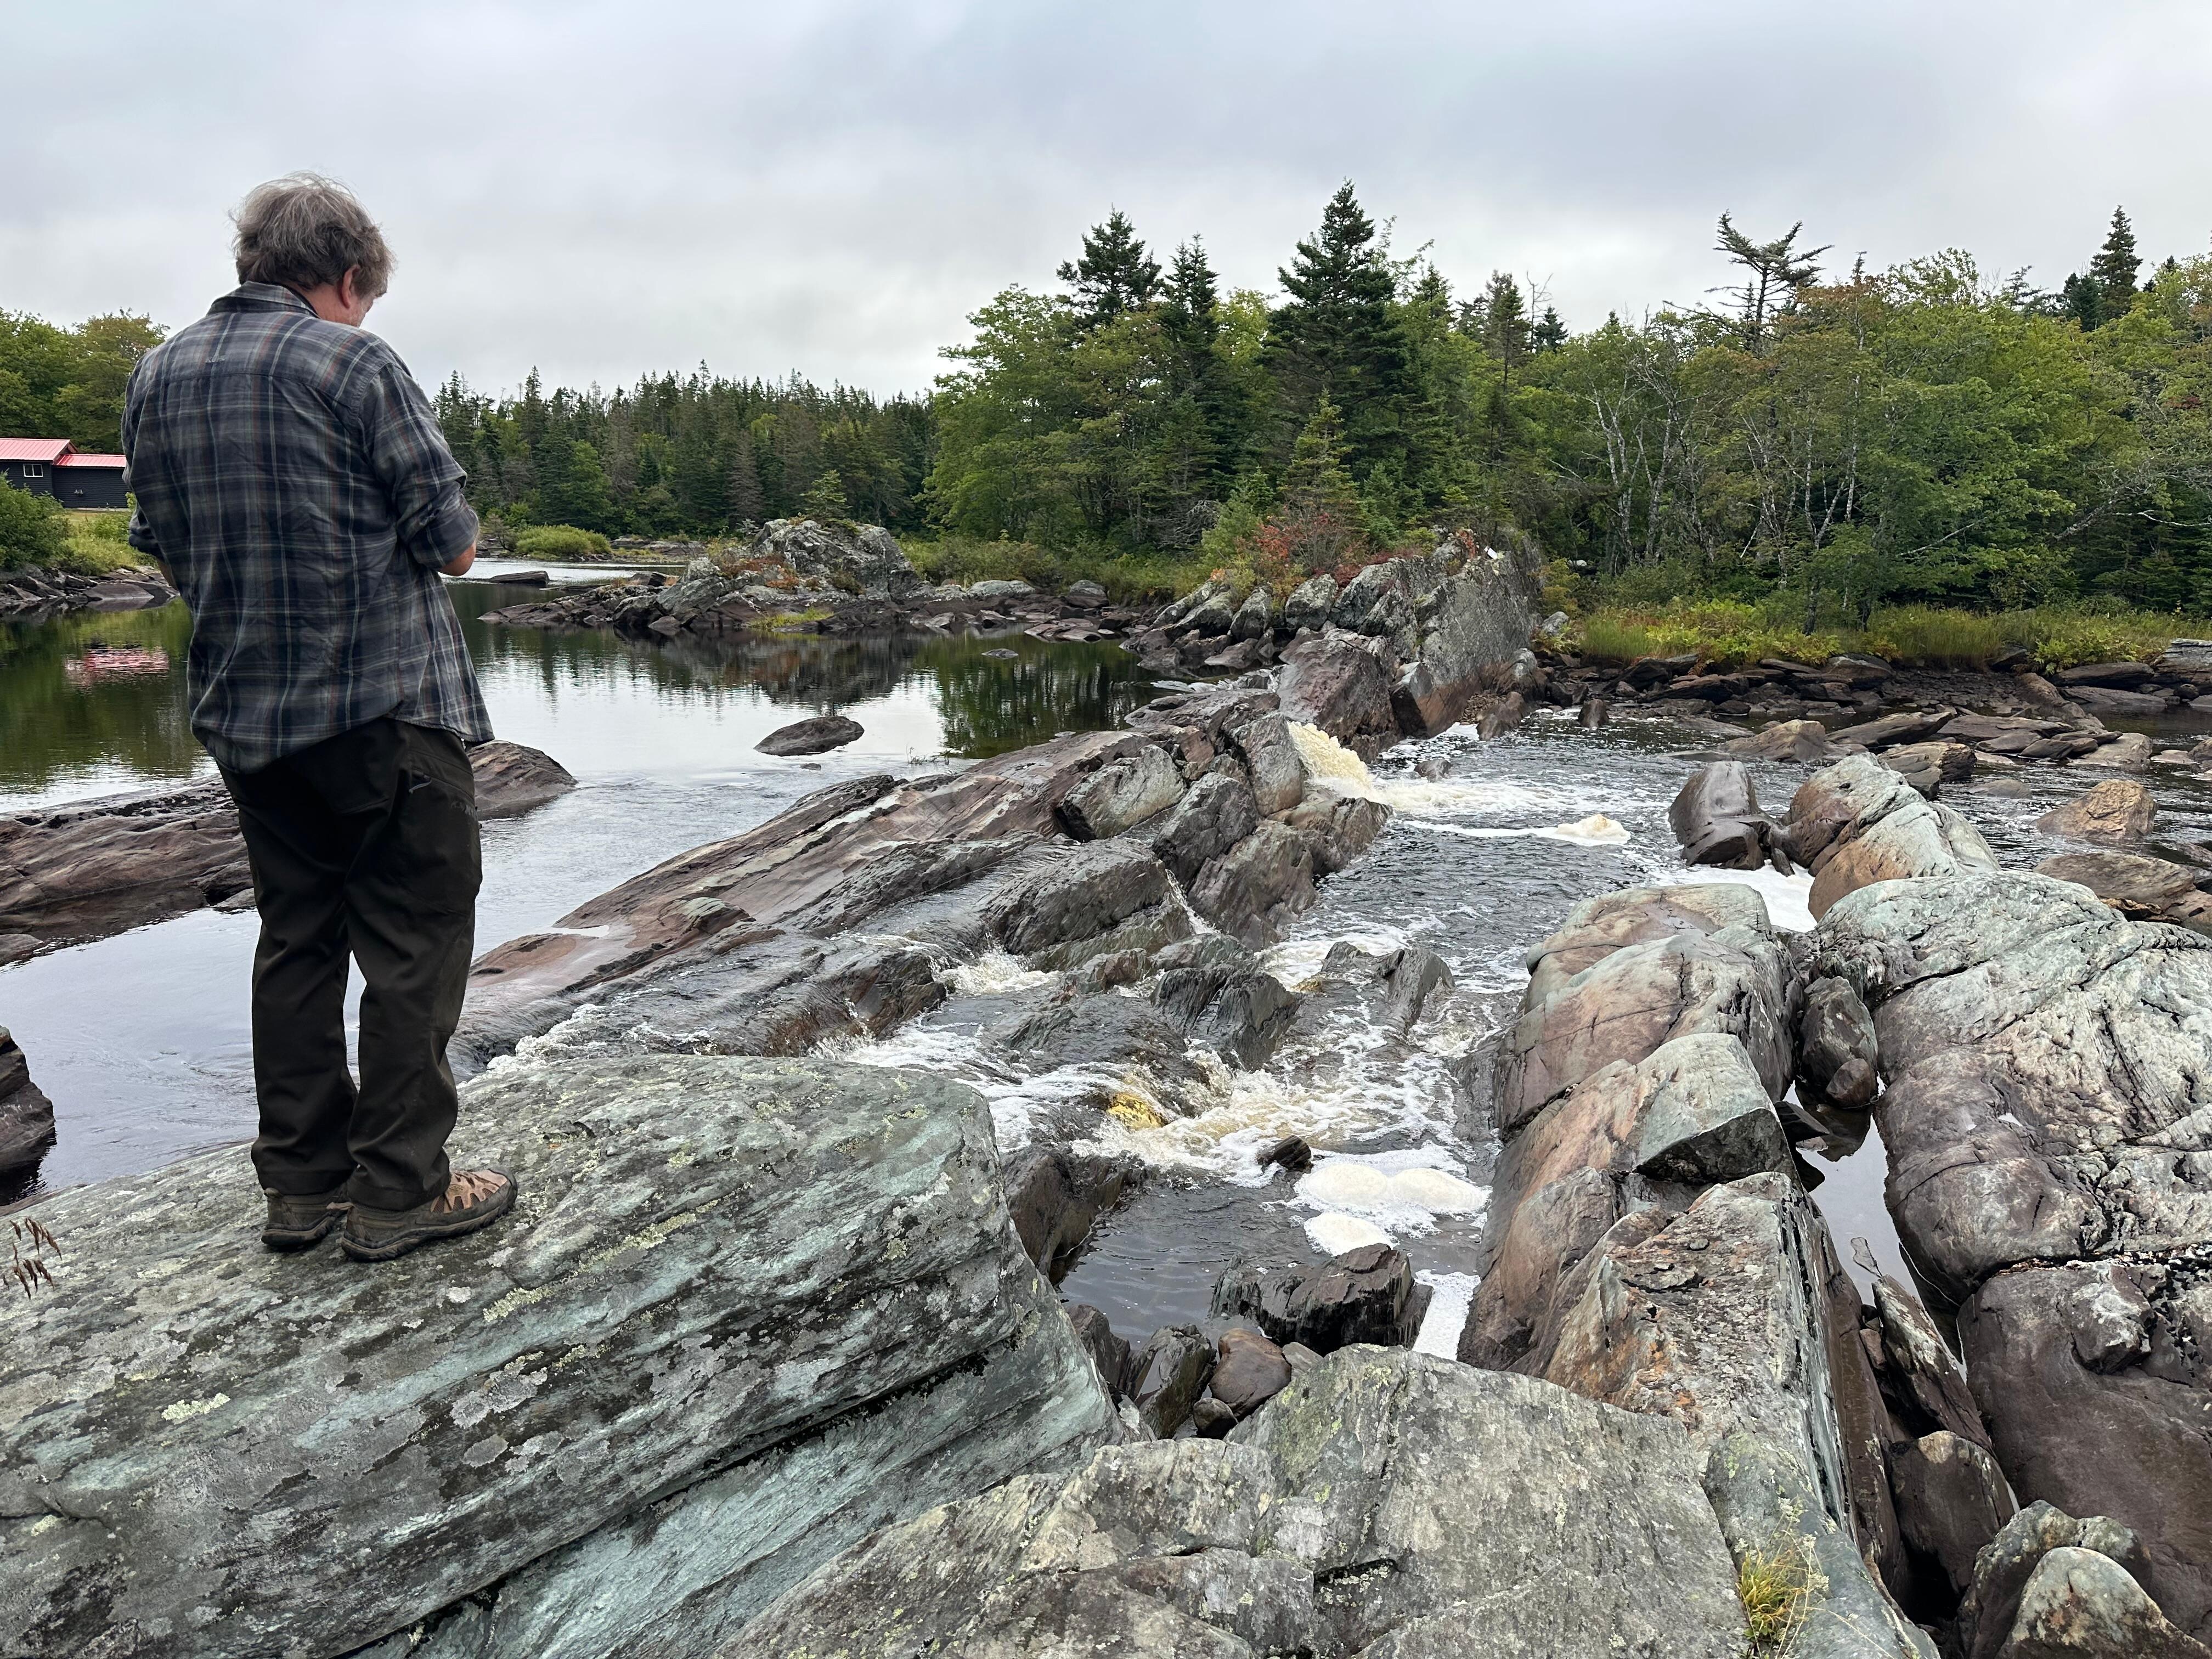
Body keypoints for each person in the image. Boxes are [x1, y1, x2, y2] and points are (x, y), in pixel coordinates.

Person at [123, 173, 516, 1262]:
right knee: (413, 944)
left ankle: (300, 1189)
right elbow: (453, 543)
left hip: (248, 720)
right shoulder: (354, 362)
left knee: (298, 939)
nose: (365, 315)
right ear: (344, 278)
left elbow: (155, 541)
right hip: (385, 711)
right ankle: (399, 1191)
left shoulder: (157, 376)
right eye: (365, 296)